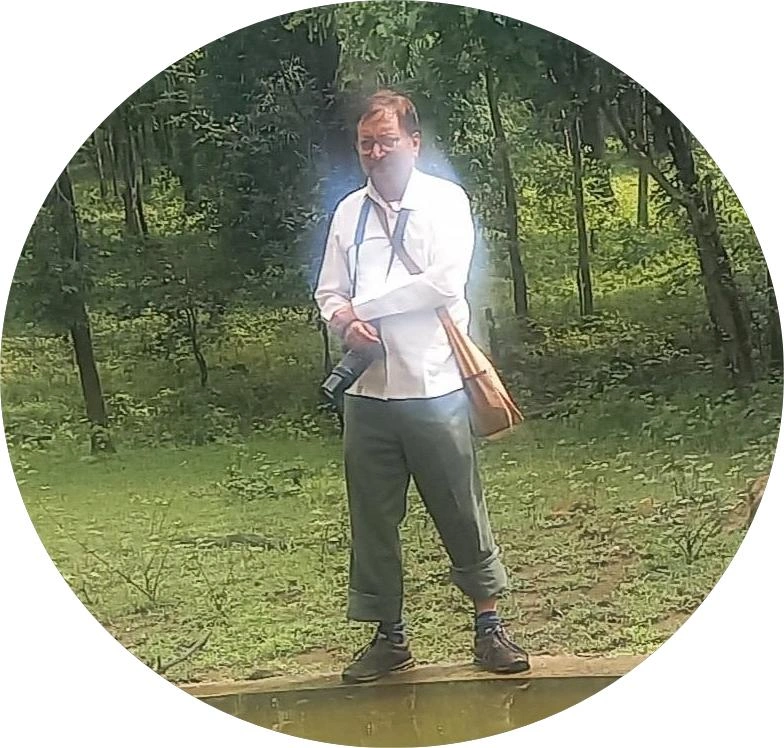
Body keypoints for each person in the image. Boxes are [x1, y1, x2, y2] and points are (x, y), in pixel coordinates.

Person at [314, 90, 529, 683]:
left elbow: (441, 284)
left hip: (435, 385)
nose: (376, 152)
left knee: (460, 507)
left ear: (414, 142)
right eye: (366, 143)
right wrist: (342, 319)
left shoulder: (444, 202)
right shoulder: (348, 213)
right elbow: (328, 290)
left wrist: (363, 307)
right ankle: (390, 639)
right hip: (368, 394)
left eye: (387, 140)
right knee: (373, 520)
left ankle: (489, 628)